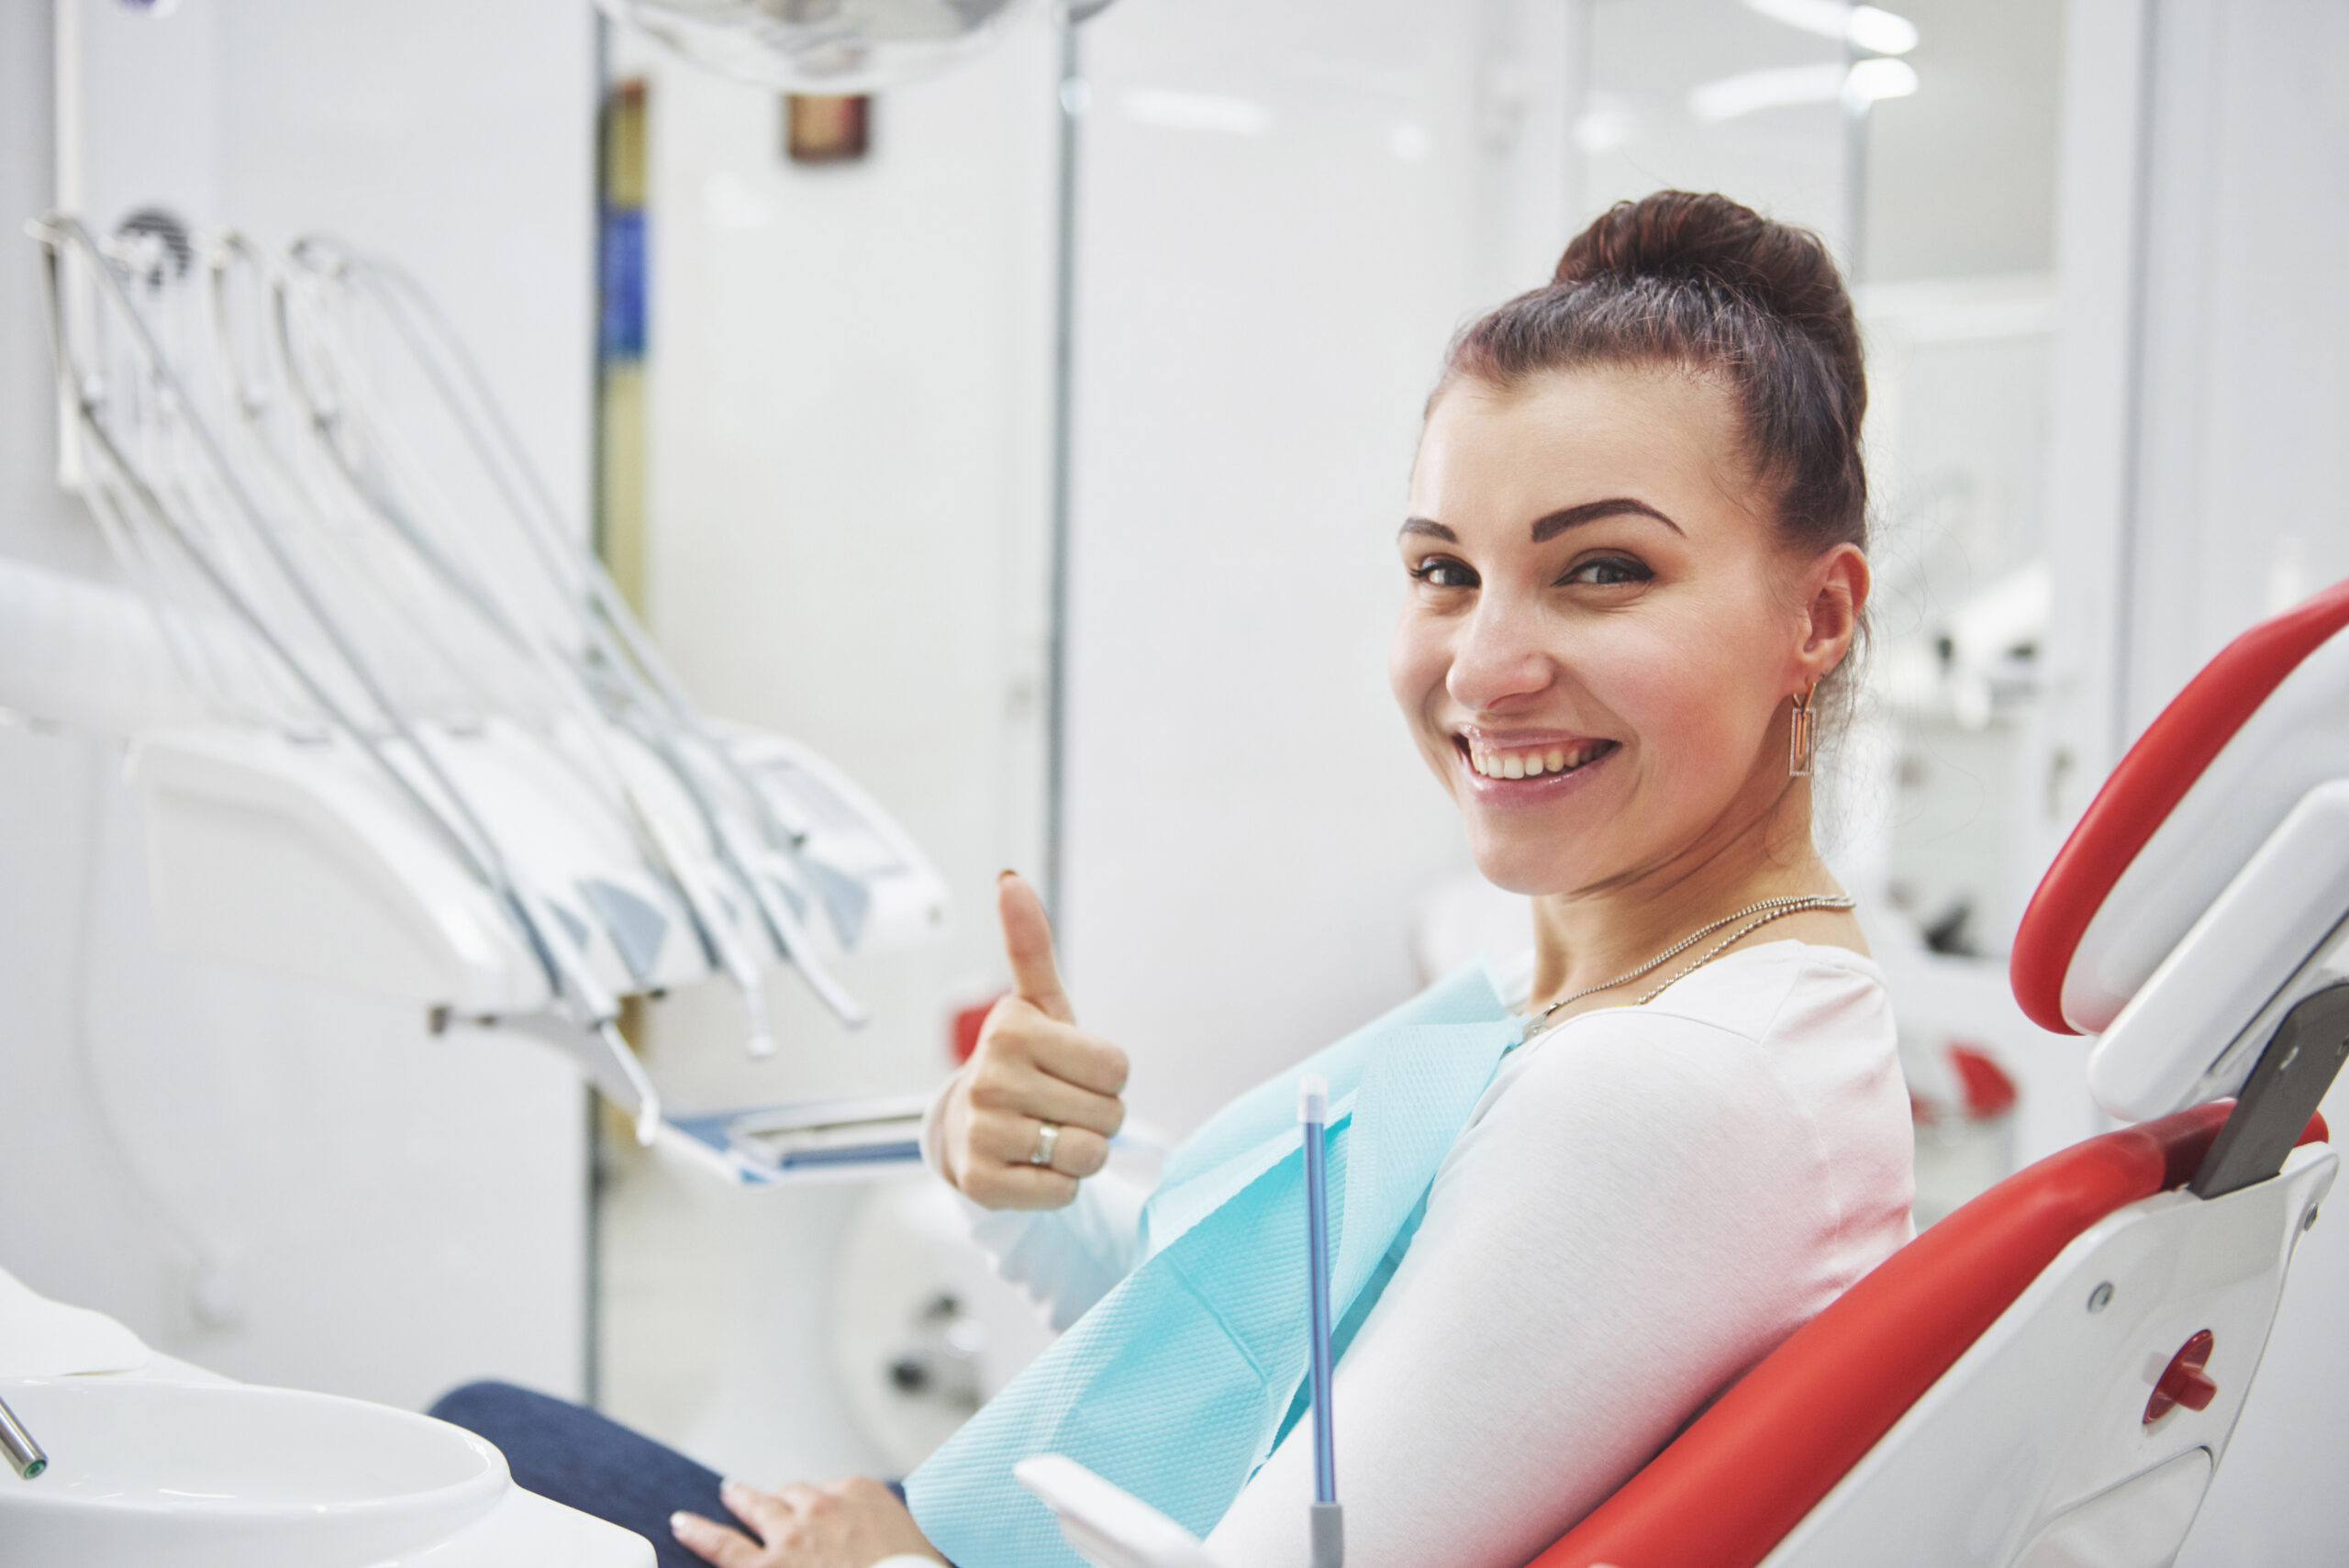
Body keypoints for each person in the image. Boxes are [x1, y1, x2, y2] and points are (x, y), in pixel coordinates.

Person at [432, 190, 1915, 1568]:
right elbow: (1248, 1365)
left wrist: (886, 1560)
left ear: (1817, 613)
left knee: (466, 1453)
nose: (1480, 667)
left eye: (1602, 570)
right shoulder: (1603, 994)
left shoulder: (1671, 1088)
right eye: (1443, 569)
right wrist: (1015, 1174)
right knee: (488, 1429)